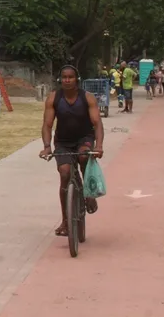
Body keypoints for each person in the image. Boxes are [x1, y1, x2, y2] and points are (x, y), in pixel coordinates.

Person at [39, 65, 105, 237]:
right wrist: (47, 146)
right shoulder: (53, 98)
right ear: (60, 79)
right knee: (65, 173)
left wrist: (99, 145)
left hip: (84, 139)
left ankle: (89, 194)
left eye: (71, 77)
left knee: (84, 156)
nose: (67, 80)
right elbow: (47, 125)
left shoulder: (87, 98)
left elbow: (97, 123)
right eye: (64, 77)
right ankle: (65, 221)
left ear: (77, 79)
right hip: (63, 142)